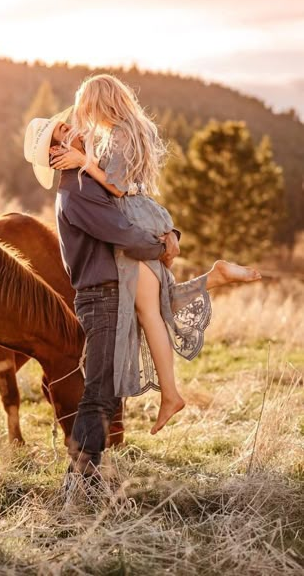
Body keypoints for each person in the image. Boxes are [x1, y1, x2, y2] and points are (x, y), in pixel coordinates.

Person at [49, 74, 261, 434]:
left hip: (134, 217)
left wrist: (84, 161)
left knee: (150, 311)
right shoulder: (129, 132)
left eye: (82, 107)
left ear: (98, 102)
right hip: (145, 213)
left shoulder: (113, 139)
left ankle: (171, 394)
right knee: (158, 301)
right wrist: (85, 158)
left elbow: (115, 187)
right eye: (63, 133)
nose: (77, 120)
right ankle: (215, 277)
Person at [24, 112, 179, 476]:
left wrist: (170, 236)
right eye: (63, 130)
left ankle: (86, 479)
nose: (73, 126)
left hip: (114, 293)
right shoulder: (77, 190)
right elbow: (121, 232)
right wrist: (161, 248)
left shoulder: (90, 179)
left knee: (106, 394)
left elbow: (131, 210)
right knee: (98, 393)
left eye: (65, 122)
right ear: (57, 151)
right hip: (102, 297)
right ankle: (78, 483)